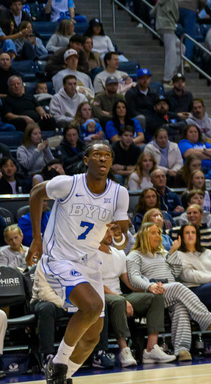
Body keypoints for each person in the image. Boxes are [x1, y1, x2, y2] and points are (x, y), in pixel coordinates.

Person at [26, 142, 131, 384]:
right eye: (97, 155)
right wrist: (37, 238)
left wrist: (117, 235)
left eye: (107, 155)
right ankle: (58, 364)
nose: (102, 159)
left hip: (90, 261)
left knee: (92, 336)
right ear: (86, 160)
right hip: (59, 257)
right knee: (92, 306)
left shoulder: (119, 193)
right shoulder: (68, 183)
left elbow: (122, 241)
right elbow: (35, 194)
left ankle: (61, 378)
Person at [126, 221, 211, 360]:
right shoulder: (134, 255)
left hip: (170, 291)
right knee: (177, 286)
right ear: (143, 236)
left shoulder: (163, 253)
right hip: (152, 292)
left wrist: (173, 253)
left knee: (180, 307)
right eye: (153, 233)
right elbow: (134, 277)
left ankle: (181, 350)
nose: (158, 236)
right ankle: (206, 319)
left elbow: (176, 272)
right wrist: (149, 286)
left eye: (158, 233)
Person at [95, 227, 176, 366]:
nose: (110, 234)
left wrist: (149, 287)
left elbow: (129, 283)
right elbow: (96, 284)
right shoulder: (91, 255)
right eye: (106, 231)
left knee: (155, 297)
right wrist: (121, 299)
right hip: (101, 295)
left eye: (111, 231)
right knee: (119, 301)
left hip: (120, 296)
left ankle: (151, 348)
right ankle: (124, 350)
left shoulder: (119, 253)